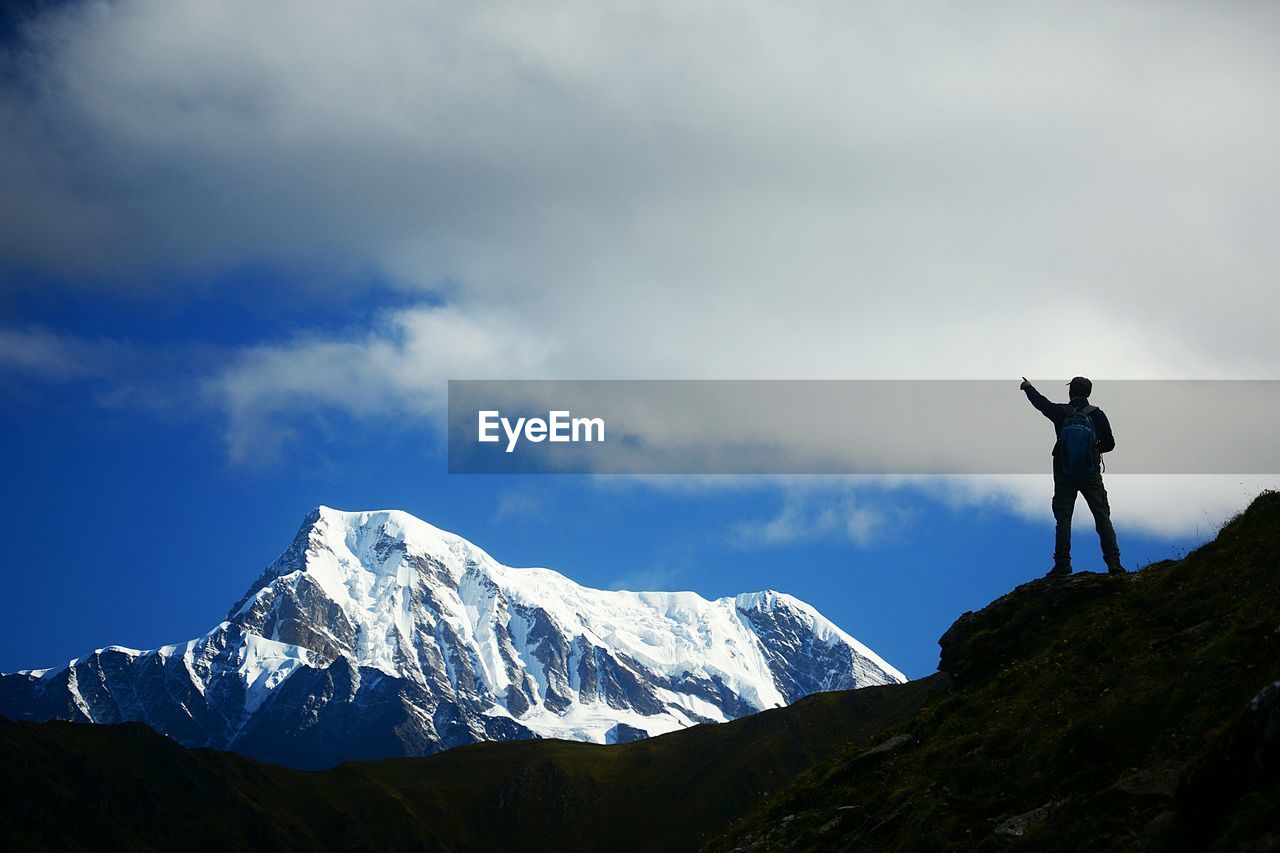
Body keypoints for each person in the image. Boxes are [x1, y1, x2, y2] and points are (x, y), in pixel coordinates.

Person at [1020, 375, 1126, 577]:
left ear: (1070, 391)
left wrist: (1028, 387)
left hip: (1064, 473)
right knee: (1102, 516)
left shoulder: (1061, 412)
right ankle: (1114, 563)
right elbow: (1110, 444)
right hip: (1090, 475)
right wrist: (1093, 451)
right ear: (1089, 392)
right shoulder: (1097, 414)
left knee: (1064, 519)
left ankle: (1063, 564)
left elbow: (1041, 404)